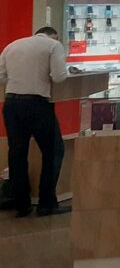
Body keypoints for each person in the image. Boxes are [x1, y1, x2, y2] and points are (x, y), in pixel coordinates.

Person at [0, 27, 72, 217]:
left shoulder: (12, 46)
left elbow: (1, 77)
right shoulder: (53, 46)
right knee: (53, 151)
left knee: (17, 153)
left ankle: (21, 204)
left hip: (12, 104)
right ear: (54, 36)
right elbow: (59, 77)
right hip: (38, 104)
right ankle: (46, 203)